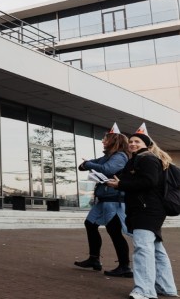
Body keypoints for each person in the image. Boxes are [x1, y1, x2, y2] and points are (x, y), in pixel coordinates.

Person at [106, 124, 177, 299]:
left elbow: (148, 182)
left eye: (137, 141)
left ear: (146, 144)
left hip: (147, 210)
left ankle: (144, 291)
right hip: (147, 209)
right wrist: (115, 180)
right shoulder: (136, 160)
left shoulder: (147, 159)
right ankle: (166, 288)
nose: (132, 144)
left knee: (143, 249)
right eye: (130, 141)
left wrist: (120, 184)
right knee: (156, 249)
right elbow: (130, 178)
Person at [74, 126, 131, 276]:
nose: (103, 141)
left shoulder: (120, 156)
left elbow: (107, 169)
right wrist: (86, 165)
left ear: (114, 141)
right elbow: (83, 167)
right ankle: (94, 259)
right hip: (103, 199)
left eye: (106, 139)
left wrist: (88, 164)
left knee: (114, 232)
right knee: (90, 224)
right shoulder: (107, 157)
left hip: (114, 200)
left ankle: (125, 267)